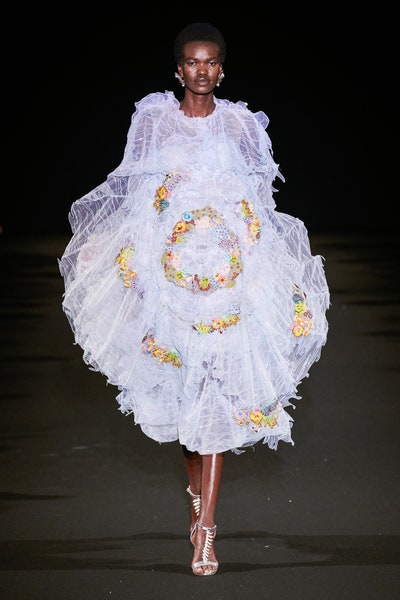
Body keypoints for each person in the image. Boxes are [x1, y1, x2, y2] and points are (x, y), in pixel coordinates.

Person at [59, 22, 330, 576]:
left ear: (222, 69)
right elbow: (135, 192)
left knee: (217, 394)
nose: (201, 71)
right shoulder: (153, 120)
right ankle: (195, 498)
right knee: (187, 401)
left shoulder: (241, 124)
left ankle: (206, 529)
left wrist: (272, 262)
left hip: (231, 278)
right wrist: (121, 254)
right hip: (170, 277)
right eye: (192, 62)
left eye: (210, 62)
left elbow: (259, 198)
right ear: (178, 68)